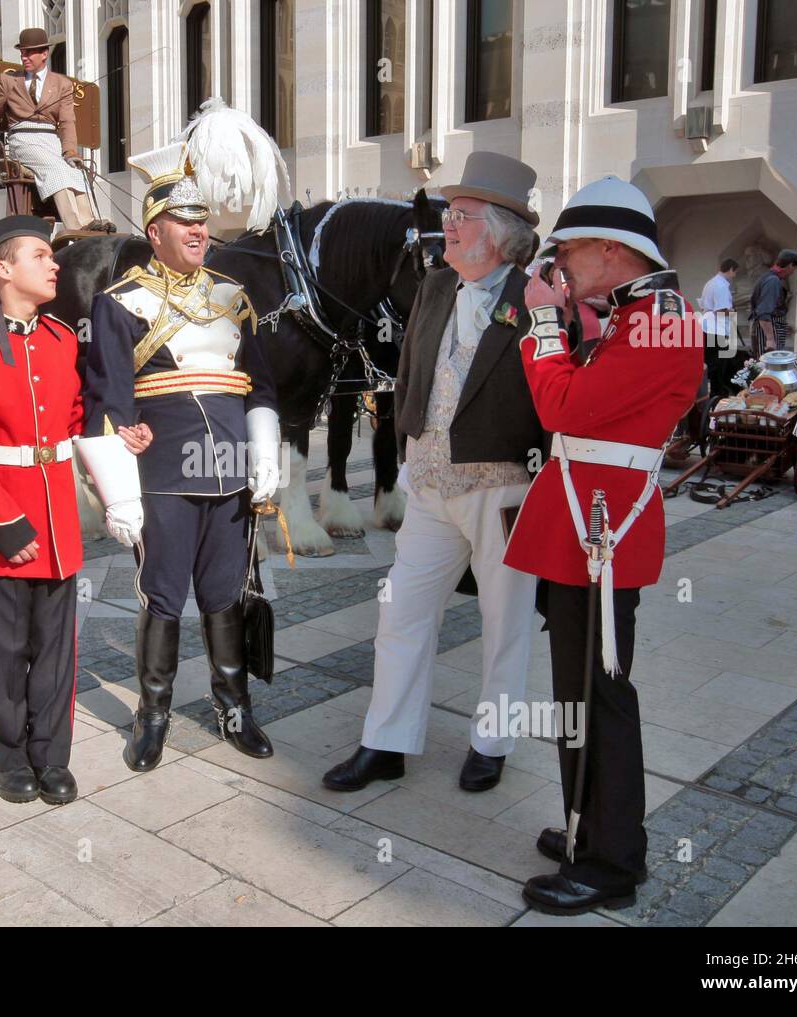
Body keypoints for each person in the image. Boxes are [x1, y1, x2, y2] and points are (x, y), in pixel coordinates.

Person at [505, 176, 702, 915]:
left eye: (570, 251)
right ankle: (593, 828)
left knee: (597, 696)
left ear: (612, 251)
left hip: (603, 533)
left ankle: (613, 861)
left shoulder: (663, 322)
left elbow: (564, 406)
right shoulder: (637, 313)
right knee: (578, 693)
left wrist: (546, 327)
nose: (561, 264)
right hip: (585, 524)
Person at [322, 152, 546, 796]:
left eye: (463, 215)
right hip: (430, 485)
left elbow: (551, 400)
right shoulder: (435, 286)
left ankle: (492, 742)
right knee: (401, 615)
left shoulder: (533, 297)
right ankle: (386, 742)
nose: (447, 225)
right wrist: (410, 442)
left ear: (501, 232)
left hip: (503, 487)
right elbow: (415, 373)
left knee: (506, 623)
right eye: (450, 213)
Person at [79, 140, 281, 772]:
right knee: (163, 597)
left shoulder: (234, 297)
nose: (198, 232)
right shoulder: (118, 304)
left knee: (225, 593)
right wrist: (118, 488)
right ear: (155, 230)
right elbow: (105, 397)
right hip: (164, 477)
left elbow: (261, 385)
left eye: (203, 222)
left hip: (228, 477)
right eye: (184, 223)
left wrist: (266, 453)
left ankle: (234, 706)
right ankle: (153, 715)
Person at [0, 213, 150, 806]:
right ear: (2, 269)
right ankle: (9, 757)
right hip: (0, 527)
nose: (55, 264)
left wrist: (120, 436)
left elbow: (81, 421)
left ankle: (52, 756)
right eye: (40, 254)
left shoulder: (61, 342)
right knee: (5, 651)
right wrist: (1, 525)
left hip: (56, 522)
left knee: (56, 652)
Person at [0, 28, 110, 233]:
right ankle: (75, 225)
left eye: (29, 52)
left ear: (44, 54)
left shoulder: (62, 85)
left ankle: (90, 220)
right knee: (55, 169)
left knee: (74, 169)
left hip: (50, 140)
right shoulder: (9, 81)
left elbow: (67, 122)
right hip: (23, 139)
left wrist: (71, 152)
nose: (24, 57)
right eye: (22, 52)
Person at [748, 249, 797, 354]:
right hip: (767, 332)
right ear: (791, 265)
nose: (792, 273)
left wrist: (783, 325)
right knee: (768, 367)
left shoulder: (769, 277)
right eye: (794, 269)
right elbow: (764, 313)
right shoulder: (772, 281)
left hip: (772, 328)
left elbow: (774, 309)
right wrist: (770, 339)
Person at [699, 258, 738, 395]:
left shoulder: (710, 283)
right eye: (734, 273)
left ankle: (710, 393)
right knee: (718, 366)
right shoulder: (721, 286)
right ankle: (718, 395)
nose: (734, 276)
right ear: (731, 269)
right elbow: (721, 310)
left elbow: (703, 305)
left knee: (709, 364)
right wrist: (732, 311)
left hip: (707, 326)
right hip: (717, 328)